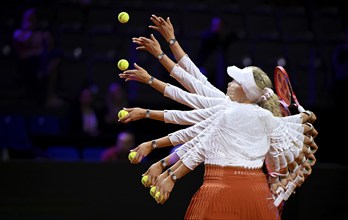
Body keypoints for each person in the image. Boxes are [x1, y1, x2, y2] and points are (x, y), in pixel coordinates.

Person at [118, 15, 318, 219]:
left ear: (245, 91)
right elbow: (283, 160)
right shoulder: (267, 118)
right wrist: (279, 181)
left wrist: (169, 174)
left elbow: (197, 139)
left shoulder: (227, 111)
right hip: (257, 195)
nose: (230, 82)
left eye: (236, 81)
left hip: (221, 191)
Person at [13, 7, 64, 107]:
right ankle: (42, 73)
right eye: (29, 18)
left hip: (41, 63)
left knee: (56, 55)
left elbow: (50, 48)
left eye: (34, 18)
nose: (32, 21)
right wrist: (38, 47)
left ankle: (44, 74)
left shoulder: (43, 34)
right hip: (27, 64)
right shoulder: (18, 33)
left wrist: (44, 40)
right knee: (37, 61)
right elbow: (23, 48)